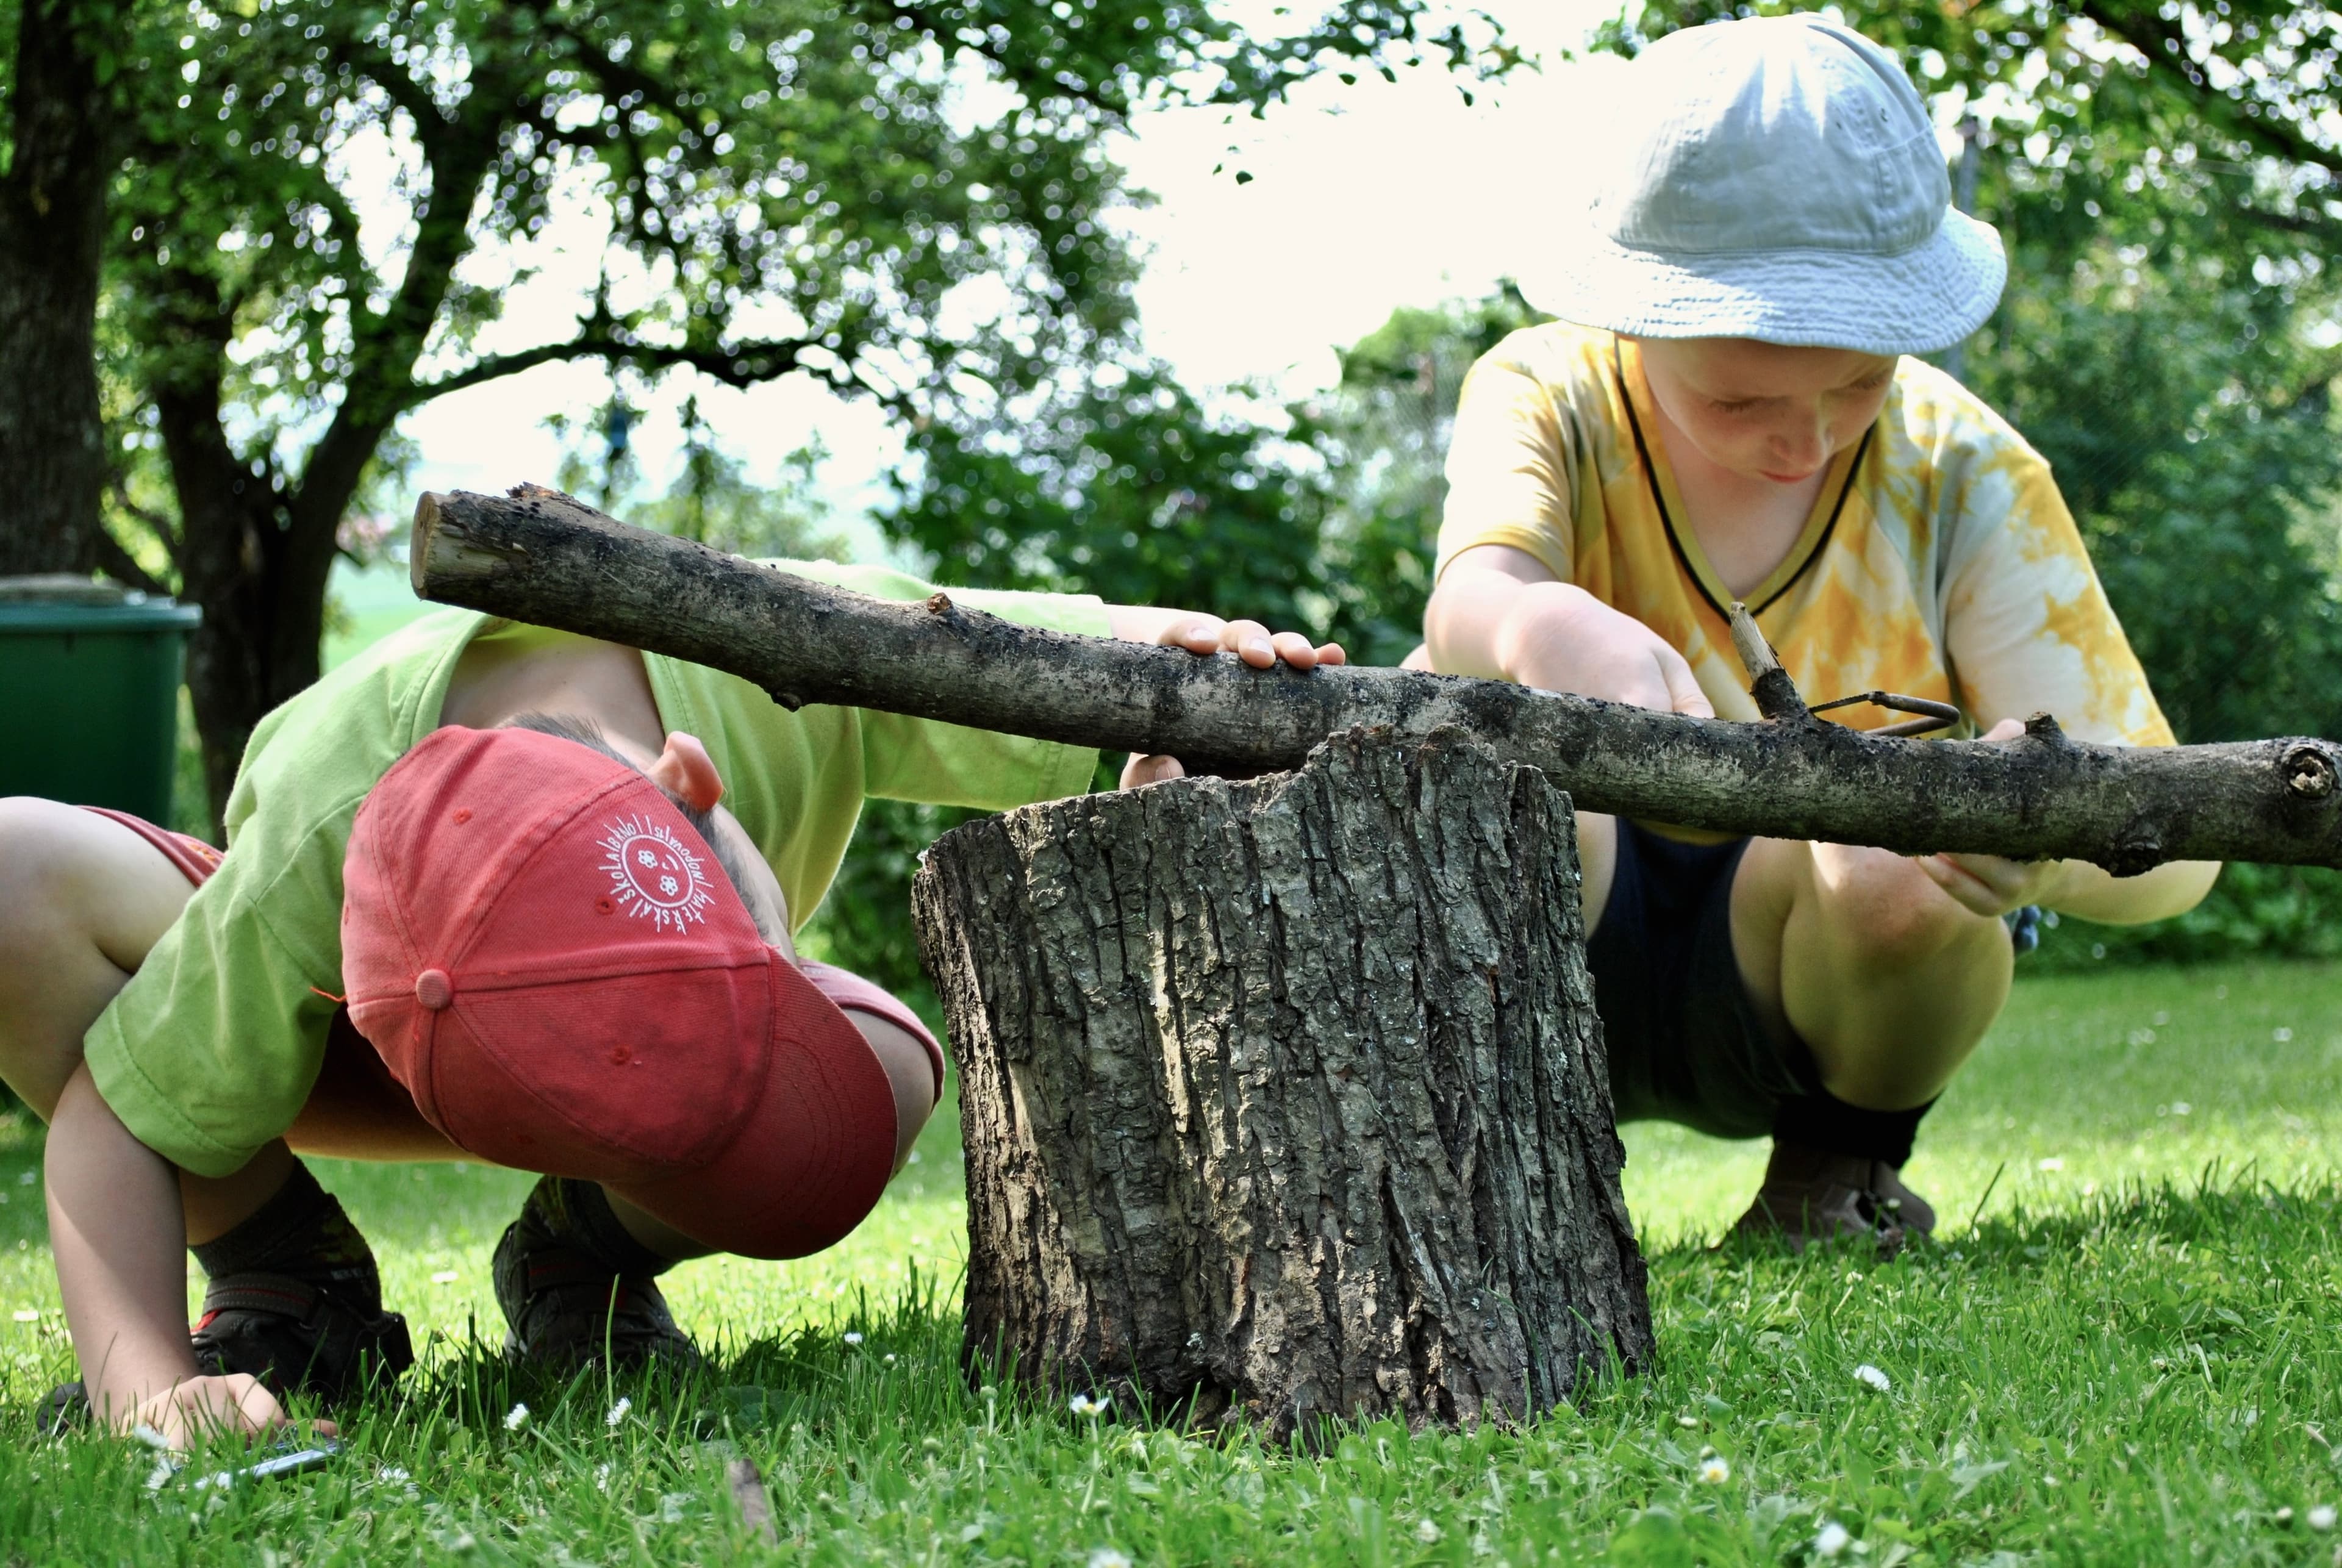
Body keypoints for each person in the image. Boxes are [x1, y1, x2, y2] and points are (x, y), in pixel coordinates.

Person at [1, 551, 1342, 1446]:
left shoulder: (777, 648)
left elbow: (1009, 647)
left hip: (528, 1066)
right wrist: (147, 1386)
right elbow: (117, 1114)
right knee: (10, 876)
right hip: (352, 1036)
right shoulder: (323, 838)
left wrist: (1178, 677)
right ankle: (289, 1274)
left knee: (877, 1076)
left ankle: (578, 1251)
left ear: (693, 779)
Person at [1422, 14, 2217, 1253]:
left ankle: (1830, 1180)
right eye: (1738, 397)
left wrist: (2039, 840)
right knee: (1453, 737)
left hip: (1819, 975)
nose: (1805, 442)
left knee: (1897, 859)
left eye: (1858, 382)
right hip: (1554, 932)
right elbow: (1470, 597)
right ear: (1636, 320)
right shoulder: (1550, 391)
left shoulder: (1963, 467)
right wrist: (1537, 619)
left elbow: (2174, 845)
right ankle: (1488, 1188)